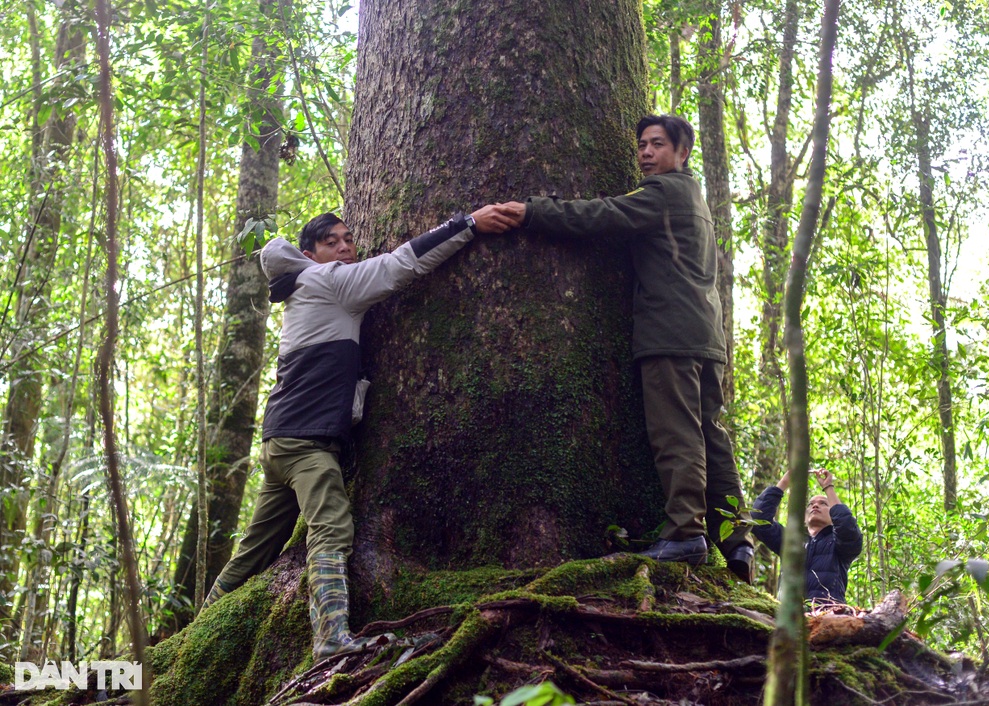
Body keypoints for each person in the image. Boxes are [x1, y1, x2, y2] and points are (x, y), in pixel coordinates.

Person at [202, 205, 516, 661]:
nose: (346, 247)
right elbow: (402, 263)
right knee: (330, 528)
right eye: (333, 241)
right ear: (311, 254)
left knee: (253, 552)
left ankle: (196, 632)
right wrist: (468, 224)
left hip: (280, 441)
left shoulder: (301, 290)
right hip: (306, 442)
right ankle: (330, 637)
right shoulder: (326, 279)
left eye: (348, 239)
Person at [497, 115, 755, 581]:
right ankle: (736, 541)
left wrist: (532, 211)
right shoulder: (694, 197)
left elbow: (601, 215)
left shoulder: (663, 193)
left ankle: (684, 534)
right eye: (642, 144)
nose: (645, 153)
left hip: (670, 334)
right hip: (704, 336)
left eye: (657, 144)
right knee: (710, 436)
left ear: (682, 153)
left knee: (677, 434)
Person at [751, 468, 863, 605]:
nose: (815, 505)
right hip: (787, 618)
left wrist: (828, 487)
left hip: (828, 616)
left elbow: (847, 528)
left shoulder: (838, 542)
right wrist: (787, 479)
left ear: (833, 514)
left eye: (823, 503)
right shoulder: (791, 541)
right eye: (810, 504)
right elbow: (758, 519)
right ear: (805, 517)